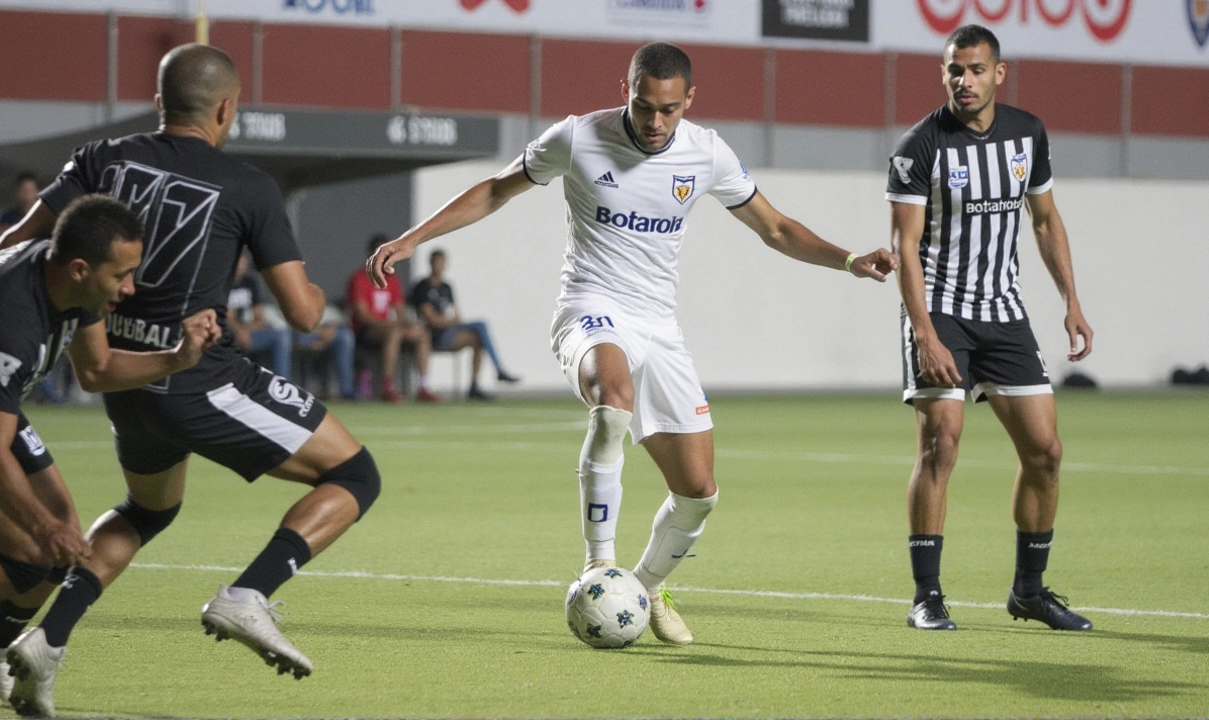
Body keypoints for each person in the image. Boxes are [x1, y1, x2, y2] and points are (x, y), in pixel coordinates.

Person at [368, 42, 896, 645]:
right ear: (626, 90)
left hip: (658, 326)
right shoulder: (577, 138)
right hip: (590, 308)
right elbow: (495, 189)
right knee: (611, 397)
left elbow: (775, 228)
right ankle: (598, 563)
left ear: (688, 101)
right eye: (644, 106)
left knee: (698, 492)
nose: (654, 122)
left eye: (668, 110)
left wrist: (850, 260)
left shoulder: (707, 153)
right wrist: (414, 239)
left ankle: (643, 587)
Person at [0, 44, 383, 714]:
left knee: (149, 509)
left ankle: (46, 640)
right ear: (228, 107)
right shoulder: (249, 186)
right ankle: (247, 594)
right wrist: (316, 291)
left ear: (158, 100)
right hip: (200, 377)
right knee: (355, 475)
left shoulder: (99, 159)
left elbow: (15, 245)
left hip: (118, 378)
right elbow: (302, 313)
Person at [0, 195, 219, 707]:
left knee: (64, 536)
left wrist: (178, 358)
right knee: (32, 552)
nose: (129, 289)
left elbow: (98, 369)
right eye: (122, 275)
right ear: (82, 268)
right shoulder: (12, 320)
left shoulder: (68, 283)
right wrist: (42, 528)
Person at [886, 25, 1094, 632]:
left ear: (998, 73)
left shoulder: (1027, 134)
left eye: (976, 70)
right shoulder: (919, 145)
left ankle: (1029, 592)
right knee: (939, 444)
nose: (964, 80)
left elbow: (1046, 220)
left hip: (1004, 312)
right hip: (941, 309)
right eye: (955, 70)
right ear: (944, 73)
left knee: (1046, 453)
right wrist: (923, 333)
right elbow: (905, 244)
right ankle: (927, 596)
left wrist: (1071, 301)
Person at [410, 249, 520, 400]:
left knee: (479, 335)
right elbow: (430, 318)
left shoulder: (447, 287)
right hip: (432, 334)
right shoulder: (422, 287)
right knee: (480, 326)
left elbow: (457, 315)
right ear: (431, 264)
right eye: (437, 262)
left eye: (443, 263)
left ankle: (474, 386)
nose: (440, 266)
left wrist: (448, 321)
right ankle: (499, 370)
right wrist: (447, 320)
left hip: (449, 331)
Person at [348, 235, 441, 403]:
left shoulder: (392, 280)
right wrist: (390, 325)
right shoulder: (359, 279)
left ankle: (423, 386)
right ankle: (387, 386)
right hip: (365, 331)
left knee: (421, 333)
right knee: (394, 333)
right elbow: (363, 316)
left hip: (389, 328)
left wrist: (409, 326)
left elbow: (400, 312)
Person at [227, 251, 293, 375]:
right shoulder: (222, 282)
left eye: (242, 261)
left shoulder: (250, 282)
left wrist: (247, 330)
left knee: (281, 336)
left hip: (248, 333)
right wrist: (239, 331)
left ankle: (281, 385)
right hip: (227, 333)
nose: (239, 265)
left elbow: (259, 316)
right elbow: (227, 317)